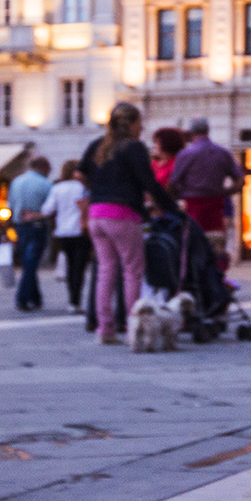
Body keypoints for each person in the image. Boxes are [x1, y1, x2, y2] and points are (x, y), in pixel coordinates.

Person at [80, 102, 178, 344]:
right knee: (133, 270)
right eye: (140, 122)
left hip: (97, 214)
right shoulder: (133, 148)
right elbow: (149, 183)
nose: (142, 127)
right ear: (132, 124)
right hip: (122, 214)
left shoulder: (97, 145)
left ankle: (105, 330)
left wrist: (99, 187)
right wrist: (171, 207)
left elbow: (80, 173)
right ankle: (134, 328)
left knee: (106, 271)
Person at [167, 117, 243, 260]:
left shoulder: (186, 154)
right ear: (208, 131)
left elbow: (172, 183)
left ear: (192, 133)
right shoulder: (222, 152)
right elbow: (240, 180)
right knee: (216, 250)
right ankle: (216, 277)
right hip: (216, 207)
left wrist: (175, 198)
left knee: (192, 249)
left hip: (192, 207)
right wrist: (225, 192)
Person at [41, 160, 90, 313]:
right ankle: (76, 300)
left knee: (69, 265)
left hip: (63, 232)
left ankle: (71, 300)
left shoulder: (57, 188)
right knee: (79, 267)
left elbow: (47, 210)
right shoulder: (83, 188)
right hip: (81, 231)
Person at [7, 155, 53, 311]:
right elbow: (50, 207)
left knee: (28, 262)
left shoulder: (16, 181)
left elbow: (11, 205)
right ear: (43, 167)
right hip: (37, 224)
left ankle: (35, 297)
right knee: (31, 263)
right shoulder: (45, 183)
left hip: (20, 225)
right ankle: (23, 298)